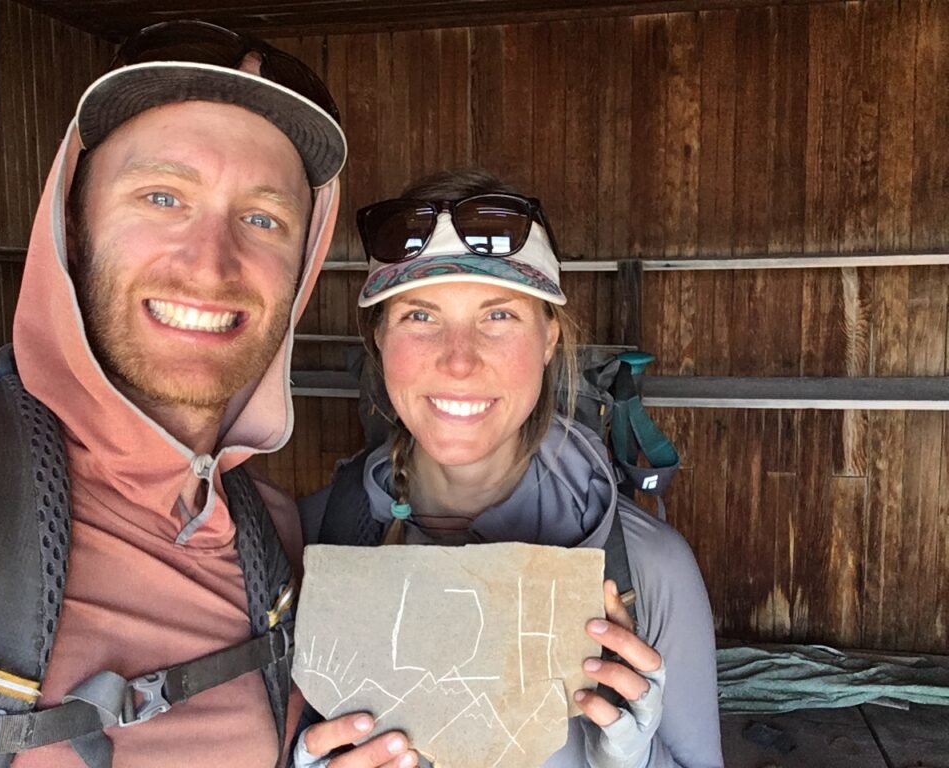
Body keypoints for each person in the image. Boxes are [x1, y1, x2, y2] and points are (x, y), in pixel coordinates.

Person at [0, 20, 418, 768]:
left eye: (262, 219)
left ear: (303, 267)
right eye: (162, 197)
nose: (210, 265)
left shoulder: (274, 544)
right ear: (71, 221)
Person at [296, 170, 723, 768]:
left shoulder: (648, 569)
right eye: (420, 315)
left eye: (498, 316)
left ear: (550, 337)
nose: (460, 360)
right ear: (379, 338)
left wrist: (635, 761)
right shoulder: (313, 538)